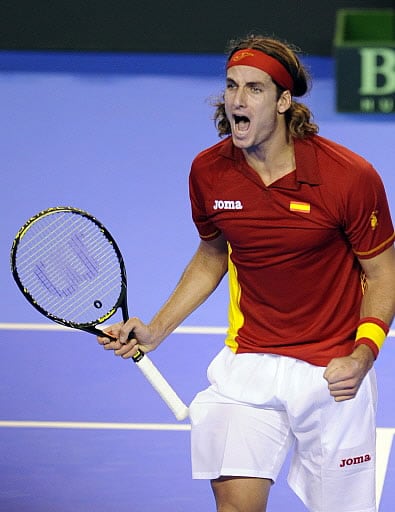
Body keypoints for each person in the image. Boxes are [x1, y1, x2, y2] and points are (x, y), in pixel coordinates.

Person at [97, 34, 395, 512]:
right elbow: (213, 253)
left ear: (283, 101)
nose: (238, 99)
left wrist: (364, 355)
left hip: (331, 372)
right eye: (232, 86)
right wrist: (156, 329)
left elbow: (381, 274)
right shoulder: (209, 173)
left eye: (255, 89)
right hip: (249, 364)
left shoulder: (349, 177)